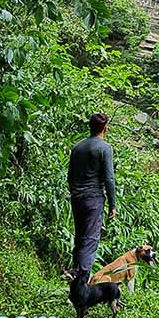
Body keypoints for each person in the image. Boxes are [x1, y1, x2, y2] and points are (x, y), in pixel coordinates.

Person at [67, 112, 116, 279]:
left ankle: (75, 274)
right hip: (93, 198)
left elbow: (70, 176)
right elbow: (109, 178)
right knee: (90, 239)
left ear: (90, 126)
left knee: (80, 237)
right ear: (105, 128)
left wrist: (75, 192)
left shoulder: (77, 147)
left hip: (77, 197)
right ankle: (81, 282)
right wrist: (113, 204)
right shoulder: (105, 148)